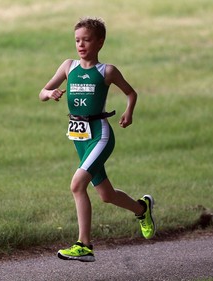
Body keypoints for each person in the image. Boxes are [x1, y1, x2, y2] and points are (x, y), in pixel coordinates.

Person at [39, 17, 155, 262]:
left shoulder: (107, 71)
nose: (81, 45)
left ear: (100, 42)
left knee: (77, 185)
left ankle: (84, 245)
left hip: (100, 135)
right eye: (77, 40)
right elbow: (42, 92)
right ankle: (142, 209)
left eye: (87, 40)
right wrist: (51, 93)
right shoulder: (68, 67)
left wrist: (128, 112)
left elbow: (131, 93)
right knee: (106, 194)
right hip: (79, 136)